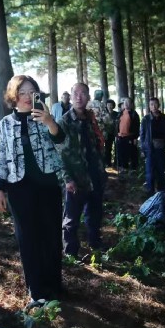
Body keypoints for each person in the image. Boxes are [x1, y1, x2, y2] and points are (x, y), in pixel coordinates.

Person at [0, 75, 66, 307]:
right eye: (22, 92)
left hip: (47, 185)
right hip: (19, 189)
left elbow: (64, 144)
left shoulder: (45, 118)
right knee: (28, 239)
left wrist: (50, 123)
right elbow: (1, 159)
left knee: (52, 237)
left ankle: (54, 286)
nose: (27, 97)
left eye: (32, 92)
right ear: (14, 96)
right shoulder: (4, 125)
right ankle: (36, 291)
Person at [56, 82, 107, 255]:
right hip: (76, 179)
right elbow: (58, 155)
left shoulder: (92, 119)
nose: (79, 97)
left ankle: (95, 244)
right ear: (70, 97)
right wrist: (67, 179)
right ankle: (70, 252)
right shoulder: (64, 122)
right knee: (71, 218)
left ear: (88, 97)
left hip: (95, 176)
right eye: (75, 93)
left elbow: (99, 145)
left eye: (83, 93)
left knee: (94, 214)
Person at [139, 96, 165, 195]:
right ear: (149, 106)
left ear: (159, 105)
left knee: (161, 171)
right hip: (150, 148)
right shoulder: (146, 119)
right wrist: (143, 148)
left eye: (155, 104)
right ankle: (150, 193)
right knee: (150, 172)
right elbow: (142, 134)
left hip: (161, 148)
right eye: (151, 104)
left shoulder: (164, 118)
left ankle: (161, 193)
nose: (154, 106)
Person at [116, 98, 141, 170]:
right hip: (120, 137)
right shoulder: (121, 113)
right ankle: (123, 168)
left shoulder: (134, 114)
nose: (126, 104)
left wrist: (135, 137)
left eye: (128, 102)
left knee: (131, 154)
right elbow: (117, 125)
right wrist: (117, 135)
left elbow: (137, 127)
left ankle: (133, 169)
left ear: (132, 104)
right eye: (125, 102)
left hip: (130, 137)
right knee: (121, 154)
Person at [103, 99, 119, 167]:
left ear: (113, 106)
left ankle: (116, 163)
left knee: (116, 148)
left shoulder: (116, 114)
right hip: (107, 133)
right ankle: (108, 163)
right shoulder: (104, 114)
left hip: (115, 133)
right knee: (107, 148)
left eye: (111, 105)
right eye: (108, 105)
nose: (109, 106)